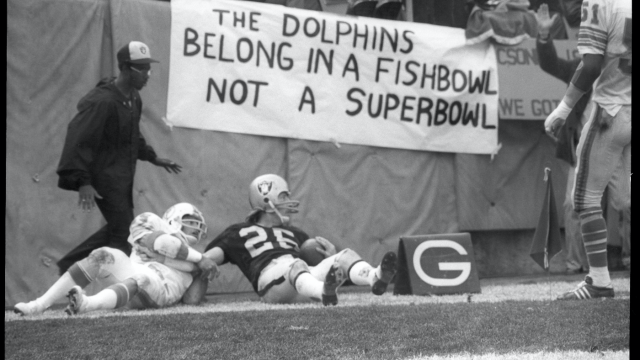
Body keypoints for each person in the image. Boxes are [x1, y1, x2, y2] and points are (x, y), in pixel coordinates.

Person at [55, 41, 182, 275]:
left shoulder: (133, 98)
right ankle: (109, 281)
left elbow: (131, 135)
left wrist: (153, 158)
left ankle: (70, 266)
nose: (147, 75)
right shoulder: (102, 101)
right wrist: (82, 181)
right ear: (125, 68)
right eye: (141, 69)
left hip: (123, 178)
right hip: (104, 179)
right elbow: (79, 138)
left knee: (119, 230)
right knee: (125, 233)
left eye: (148, 69)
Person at [195, 174, 398, 306]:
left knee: (344, 255)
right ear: (266, 200)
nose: (288, 201)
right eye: (283, 196)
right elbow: (206, 259)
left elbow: (313, 260)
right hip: (271, 282)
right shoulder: (237, 232)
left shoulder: (295, 233)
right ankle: (322, 292)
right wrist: (200, 261)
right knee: (296, 265)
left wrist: (330, 258)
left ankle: (374, 276)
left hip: (302, 277)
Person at [544, 0, 630, 300]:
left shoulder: (601, 3)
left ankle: (600, 280)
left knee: (583, 198)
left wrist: (564, 108)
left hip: (612, 110)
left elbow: (591, 64)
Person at [13, 203, 216, 316]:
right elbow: (162, 243)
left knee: (143, 278)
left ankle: (87, 304)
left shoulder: (196, 263)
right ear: (173, 219)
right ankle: (38, 305)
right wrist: (200, 259)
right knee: (102, 254)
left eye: (199, 225)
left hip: (158, 290)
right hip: (133, 272)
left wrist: (202, 272)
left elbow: (191, 300)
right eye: (192, 222)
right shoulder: (156, 224)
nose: (196, 229)